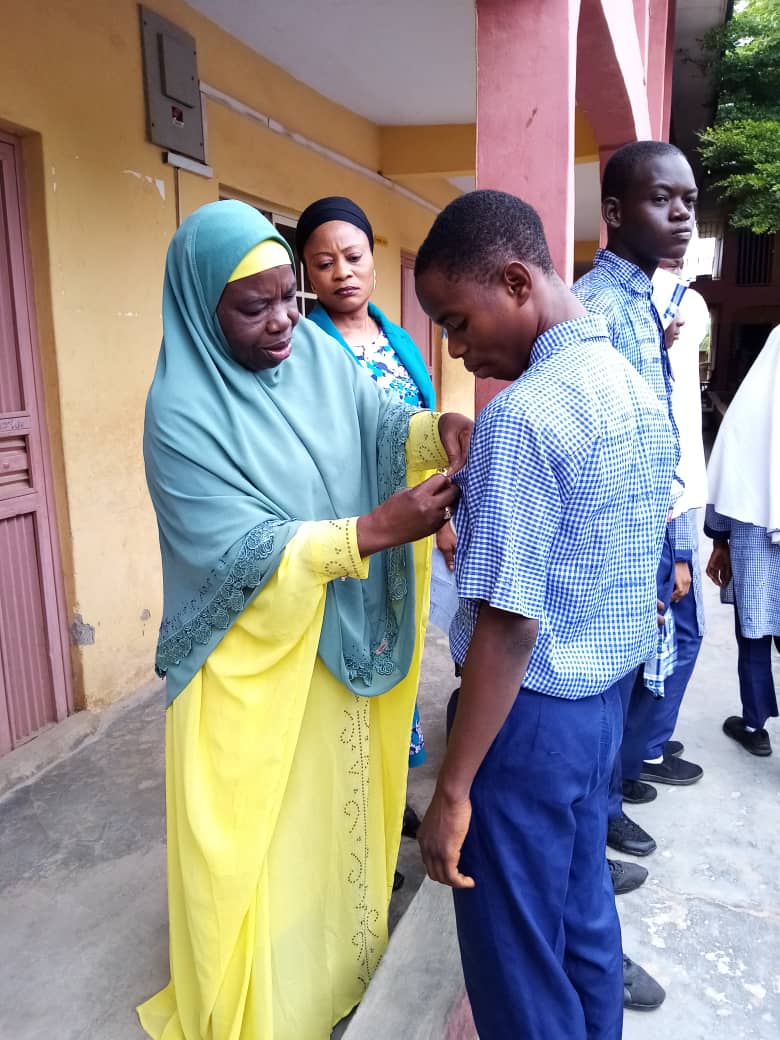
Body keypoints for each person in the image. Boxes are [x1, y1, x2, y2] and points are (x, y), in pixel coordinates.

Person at [136, 199, 471, 1040]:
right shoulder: (181, 414)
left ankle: (335, 973)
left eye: (292, 296)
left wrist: (441, 430)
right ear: (199, 305)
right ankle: (268, 1006)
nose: (286, 319)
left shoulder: (319, 356)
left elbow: (379, 426)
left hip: (334, 636)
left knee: (333, 827)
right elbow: (231, 551)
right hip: (254, 657)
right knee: (265, 842)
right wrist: (372, 531)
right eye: (256, 306)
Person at [413, 189, 676, 1040]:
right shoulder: (634, 389)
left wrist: (453, 788)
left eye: (457, 320)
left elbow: (510, 624)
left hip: (524, 723)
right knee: (579, 913)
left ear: (517, 281)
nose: (456, 348)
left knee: (513, 954)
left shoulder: (524, 418)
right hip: (601, 708)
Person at [295, 195, 451, 849]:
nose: (342, 273)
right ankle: (355, 811)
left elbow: (427, 423)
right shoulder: (301, 345)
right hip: (354, 528)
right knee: (354, 659)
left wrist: (442, 518)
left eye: (353, 256)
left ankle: (389, 793)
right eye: (323, 262)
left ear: (373, 260)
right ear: (306, 272)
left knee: (404, 661)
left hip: (412, 533)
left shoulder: (402, 340)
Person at [573, 140, 704, 866]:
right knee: (602, 700)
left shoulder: (640, 301)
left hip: (646, 535)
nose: (682, 213)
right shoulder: (600, 306)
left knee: (626, 688)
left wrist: (673, 547)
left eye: (688, 199)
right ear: (617, 212)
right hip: (610, 548)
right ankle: (588, 848)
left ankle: (601, 822)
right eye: (663, 199)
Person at [632, 258, 710, 789]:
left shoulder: (645, 299)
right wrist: (682, 551)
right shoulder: (677, 302)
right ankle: (648, 749)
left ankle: (646, 740)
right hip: (670, 506)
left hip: (668, 499)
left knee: (661, 635)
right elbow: (671, 435)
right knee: (679, 633)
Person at [705, 325, 780, 756]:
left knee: (754, 635)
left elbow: (725, 472)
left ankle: (755, 727)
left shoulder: (749, 409)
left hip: (754, 541)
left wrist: (719, 542)